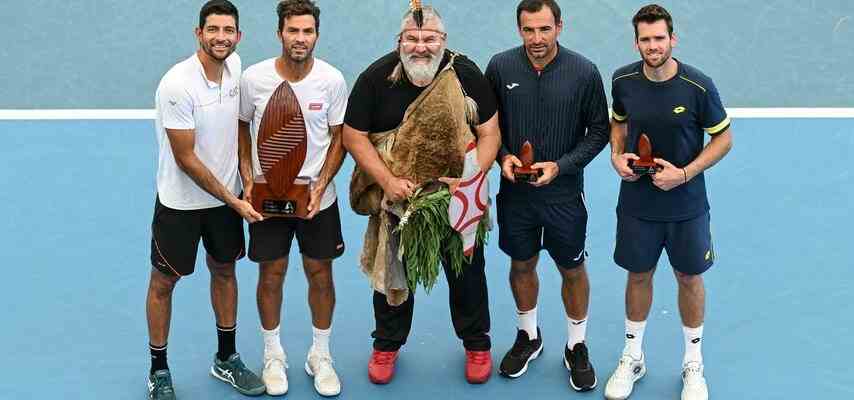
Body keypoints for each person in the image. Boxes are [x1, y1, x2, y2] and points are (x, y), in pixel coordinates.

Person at [342, 4, 501, 385]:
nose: (421, 47)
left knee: (467, 274)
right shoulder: (377, 77)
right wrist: (386, 180)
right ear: (399, 41)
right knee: (393, 274)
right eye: (412, 39)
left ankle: (477, 343)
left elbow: (490, 132)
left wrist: (471, 178)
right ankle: (386, 345)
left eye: (430, 39)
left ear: (443, 42)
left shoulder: (464, 73)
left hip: (457, 197)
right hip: (400, 200)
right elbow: (353, 135)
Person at [603, 4, 733, 400]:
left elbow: (723, 139)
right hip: (638, 203)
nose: (653, 45)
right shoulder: (623, 80)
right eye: (646, 39)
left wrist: (684, 174)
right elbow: (618, 121)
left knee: (689, 278)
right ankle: (632, 356)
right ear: (636, 42)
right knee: (638, 275)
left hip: (687, 204)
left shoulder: (698, 86)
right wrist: (616, 154)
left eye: (660, 38)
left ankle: (693, 364)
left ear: (672, 39)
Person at [484, 0, 609, 391]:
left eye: (544, 29)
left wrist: (562, 165)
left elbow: (599, 132)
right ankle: (529, 336)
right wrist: (502, 157)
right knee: (521, 265)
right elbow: (488, 126)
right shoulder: (500, 67)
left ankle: (576, 345)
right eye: (528, 30)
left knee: (572, 270)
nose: (536, 39)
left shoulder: (584, 72)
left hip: (564, 197)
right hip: (515, 197)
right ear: (519, 29)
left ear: (559, 26)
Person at [146, 1, 265, 398]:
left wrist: (246, 180)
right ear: (199, 33)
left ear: (238, 36)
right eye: (213, 30)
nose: (221, 37)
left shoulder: (236, 68)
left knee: (225, 271)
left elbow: (239, 129)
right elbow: (186, 159)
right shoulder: (176, 85)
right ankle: (158, 369)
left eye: (228, 30)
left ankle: (226, 358)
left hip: (226, 201)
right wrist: (235, 200)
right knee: (164, 282)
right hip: (181, 204)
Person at [237, 0, 348, 396]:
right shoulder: (254, 79)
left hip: (318, 199)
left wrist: (321, 183)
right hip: (268, 196)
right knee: (272, 273)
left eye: (307, 31)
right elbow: (242, 127)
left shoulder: (332, 80)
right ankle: (273, 356)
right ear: (279, 33)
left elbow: (339, 139)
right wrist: (248, 177)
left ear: (316, 34)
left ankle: (320, 355)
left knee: (321, 274)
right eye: (293, 31)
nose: (300, 39)